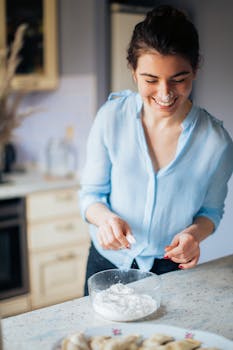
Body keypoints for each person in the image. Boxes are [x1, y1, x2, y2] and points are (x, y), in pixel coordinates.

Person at [79, 5, 233, 295]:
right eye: (151, 80)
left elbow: (211, 212)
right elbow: (91, 195)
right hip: (107, 262)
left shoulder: (217, 143)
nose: (165, 93)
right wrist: (106, 220)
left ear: (195, 69)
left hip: (170, 268)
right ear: (133, 71)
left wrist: (193, 234)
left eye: (179, 79)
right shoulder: (110, 118)